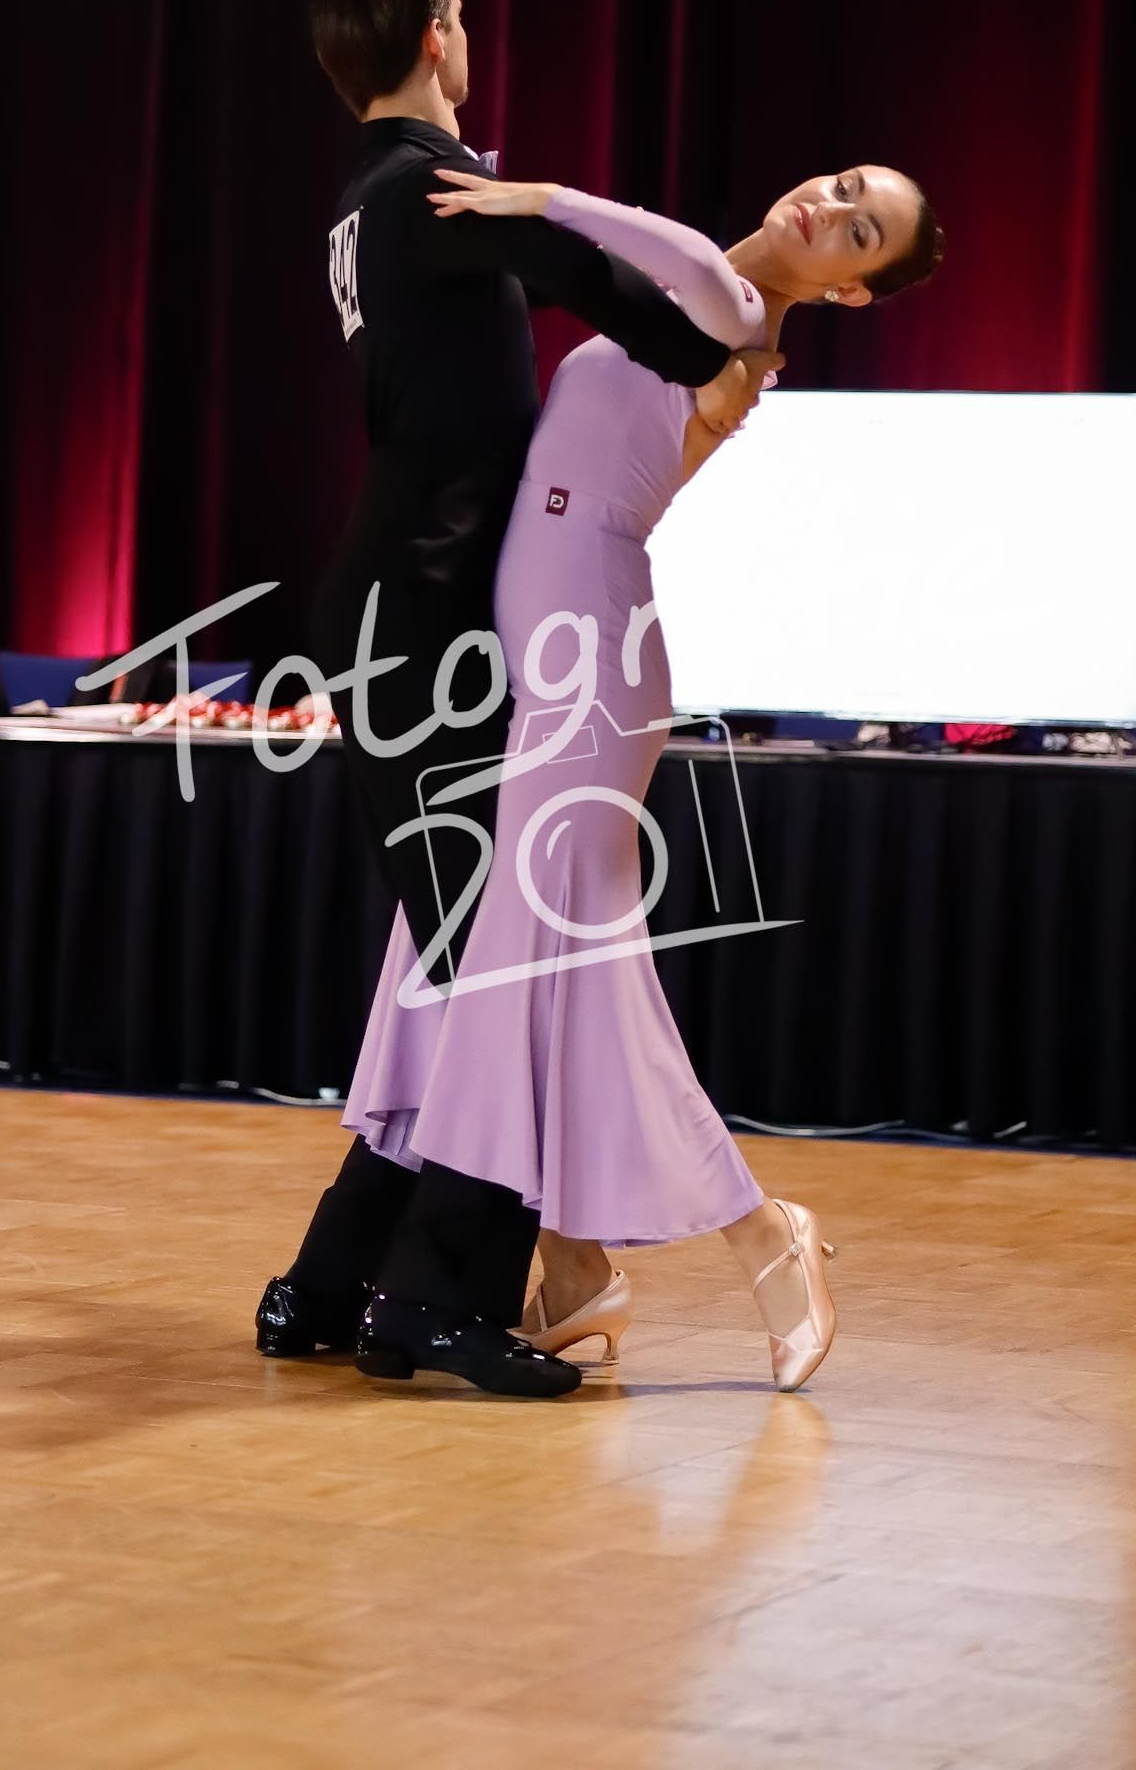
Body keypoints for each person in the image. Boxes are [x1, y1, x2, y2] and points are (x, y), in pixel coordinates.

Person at [255, 0, 773, 1399]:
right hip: (418, 622)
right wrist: (715, 354)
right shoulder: (426, 185)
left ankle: (330, 1286)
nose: (472, 32)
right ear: (434, 36)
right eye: (463, 12)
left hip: (399, 610)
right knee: (503, 962)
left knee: (458, 955)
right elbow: (580, 273)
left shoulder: (368, 197)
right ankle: (437, 1300)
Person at [342, 160, 944, 1392]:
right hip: (539, 652)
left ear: (852, 291)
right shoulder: (678, 309)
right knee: (526, 965)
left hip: (593, 657)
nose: (827, 208)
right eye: (842, 186)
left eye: (858, 230)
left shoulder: (738, 321)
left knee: (567, 970)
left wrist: (545, 201)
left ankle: (764, 1234)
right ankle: (573, 1266)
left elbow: (690, 260)